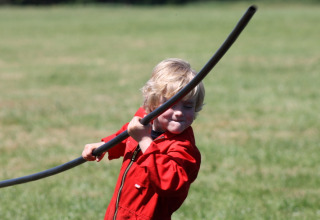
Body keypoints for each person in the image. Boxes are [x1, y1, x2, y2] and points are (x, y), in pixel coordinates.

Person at [82, 58, 205, 220]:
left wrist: (145, 141)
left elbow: (170, 182)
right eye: (171, 104)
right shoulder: (144, 121)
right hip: (119, 212)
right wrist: (105, 145)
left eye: (187, 106)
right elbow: (127, 136)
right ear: (152, 102)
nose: (179, 112)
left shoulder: (183, 147)